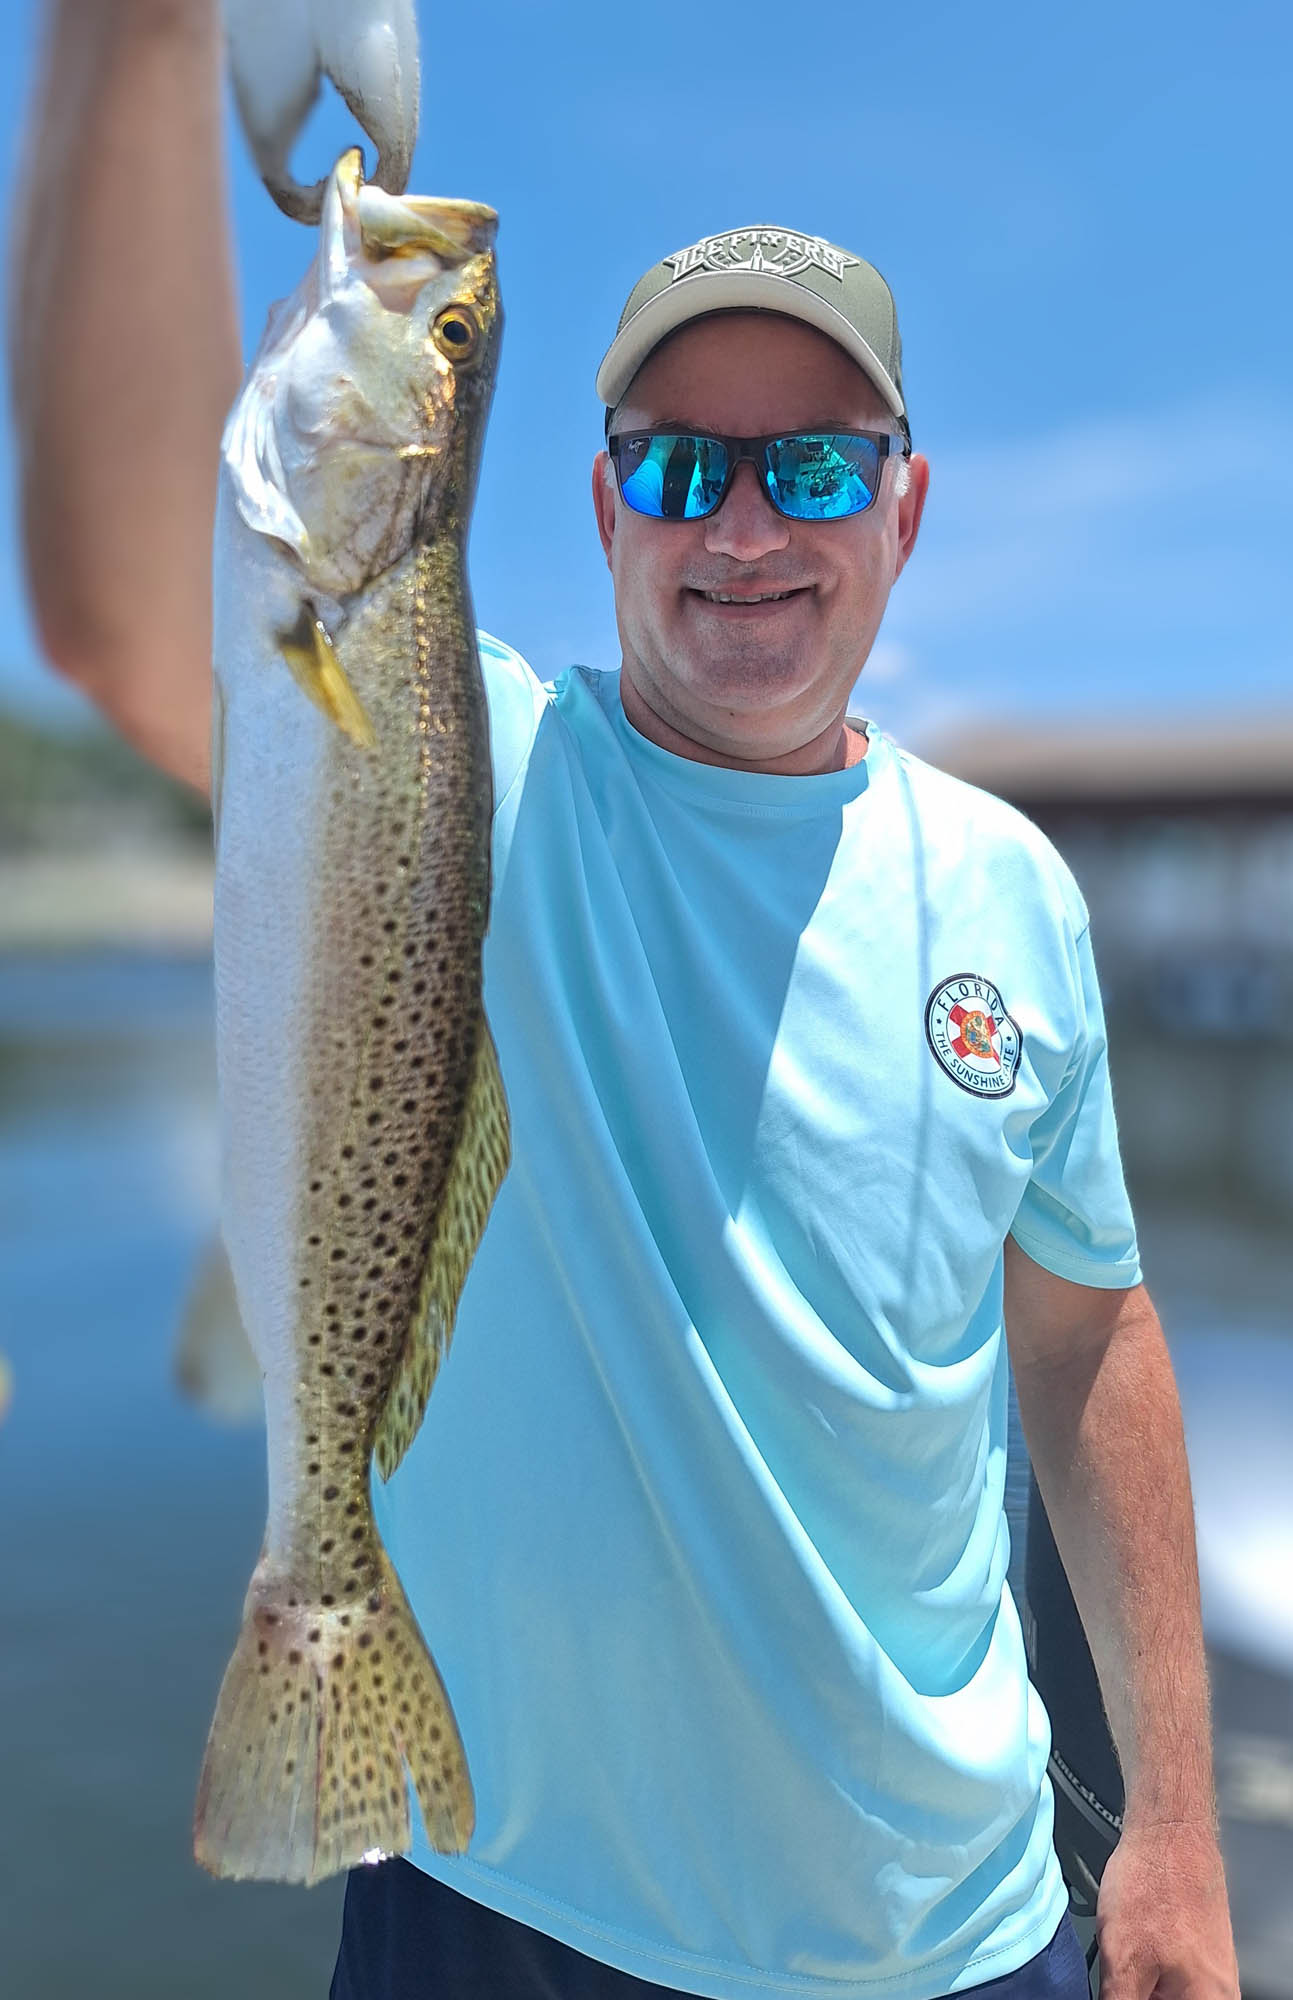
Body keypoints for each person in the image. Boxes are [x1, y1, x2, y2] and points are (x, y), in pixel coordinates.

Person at [11, 7, 1240, 2000]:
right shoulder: (466, 762)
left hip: (958, 1929)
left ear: (899, 510)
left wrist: (1172, 1829)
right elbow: (126, 612)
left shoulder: (1008, 885)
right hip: (506, 1911)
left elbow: (1086, 1337)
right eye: (678, 465)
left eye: (811, 464)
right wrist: (134, 32)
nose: (743, 526)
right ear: (600, 515)